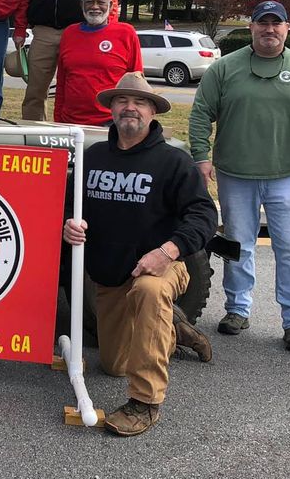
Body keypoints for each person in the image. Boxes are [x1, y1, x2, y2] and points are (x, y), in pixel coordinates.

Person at [62, 72, 217, 437]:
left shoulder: (174, 162)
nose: (130, 108)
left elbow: (205, 215)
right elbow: (68, 206)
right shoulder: (93, 156)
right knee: (114, 365)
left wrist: (167, 251)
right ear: (112, 110)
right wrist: (68, 224)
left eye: (140, 102)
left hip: (162, 264)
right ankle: (173, 326)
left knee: (150, 291)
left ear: (152, 112)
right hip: (111, 275)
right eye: (122, 101)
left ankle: (146, 402)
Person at [188, 0, 290, 352]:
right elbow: (201, 113)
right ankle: (237, 309)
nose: (270, 29)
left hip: (289, 177)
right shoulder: (225, 68)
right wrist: (201, 157)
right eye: (262, 23)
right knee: (238, 245)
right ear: (251, 27)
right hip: (235, 174)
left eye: (276, 23)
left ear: (287, 28)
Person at [54, 0, 142, 126]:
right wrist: (58, 119)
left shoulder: (126, 33)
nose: (95, 7)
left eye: (101, 2)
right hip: (70, 121)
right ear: (82, 5)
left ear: (111, 6)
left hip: (111, 121)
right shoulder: (69, 33)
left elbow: (137, 81)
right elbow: (62, 81)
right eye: (90, 2)